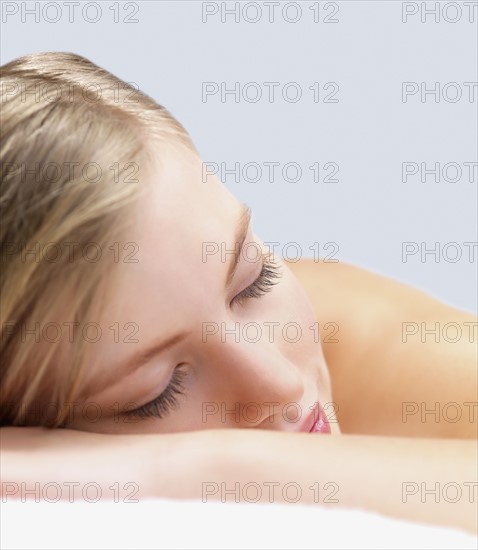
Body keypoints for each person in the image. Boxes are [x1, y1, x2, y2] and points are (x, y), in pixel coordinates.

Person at [1, 52, 476, 534]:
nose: (281, 384)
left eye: (255, 280)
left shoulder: (372, 340)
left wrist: (196, 467)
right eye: (157, 393)